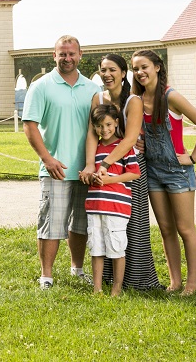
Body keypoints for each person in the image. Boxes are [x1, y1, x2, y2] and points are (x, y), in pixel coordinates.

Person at [131, 49, 196, 296]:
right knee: (166, 229)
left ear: (157, 67)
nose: (140, 72)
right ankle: (175, 282)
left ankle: (191, 284)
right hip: (153, 171)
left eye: (144, 66)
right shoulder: (137, 99)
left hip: (177, 171)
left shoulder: (170, 96)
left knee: (185, 229)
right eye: (135, 69)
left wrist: (193, 156)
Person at [22, 35, 101, 290]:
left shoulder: (92, 89)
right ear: (53, 56)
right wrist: (47, 159)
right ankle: (46, 276)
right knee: (51, 224)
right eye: (62, 54)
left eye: (72, 54)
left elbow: (100, 127)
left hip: (86, 169)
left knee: (80, 224)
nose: (67, 58)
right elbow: (30, 126)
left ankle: (77, 269)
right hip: (54, 168)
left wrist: (92, 164)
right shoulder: (41, 86)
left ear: (80, 55)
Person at [80, 54, 163, 291]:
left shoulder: (133, 100)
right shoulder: (97, 98)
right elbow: (91, 134)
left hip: (128, 167)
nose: (107, 75)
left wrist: (105, 165)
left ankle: (135, 280)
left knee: (132, 226)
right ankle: (105, 279)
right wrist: (90, 165)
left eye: (112, 70)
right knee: (103, 225)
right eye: (103, 70)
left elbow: (129, 139)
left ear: (123, 73)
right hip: (101, 168)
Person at [85, 104, 141, 296]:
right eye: (99, 126)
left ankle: (117, 289)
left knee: (117, 248)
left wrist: (111, 179)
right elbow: (90, 172)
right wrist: (91, 177)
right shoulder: (95, 148)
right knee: (96, 248)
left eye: (108, 124)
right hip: (95, 205)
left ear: (116, 123)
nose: (105, 129)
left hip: (117, 207)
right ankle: (97, 288)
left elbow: (134, 173)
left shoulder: (124, 147)